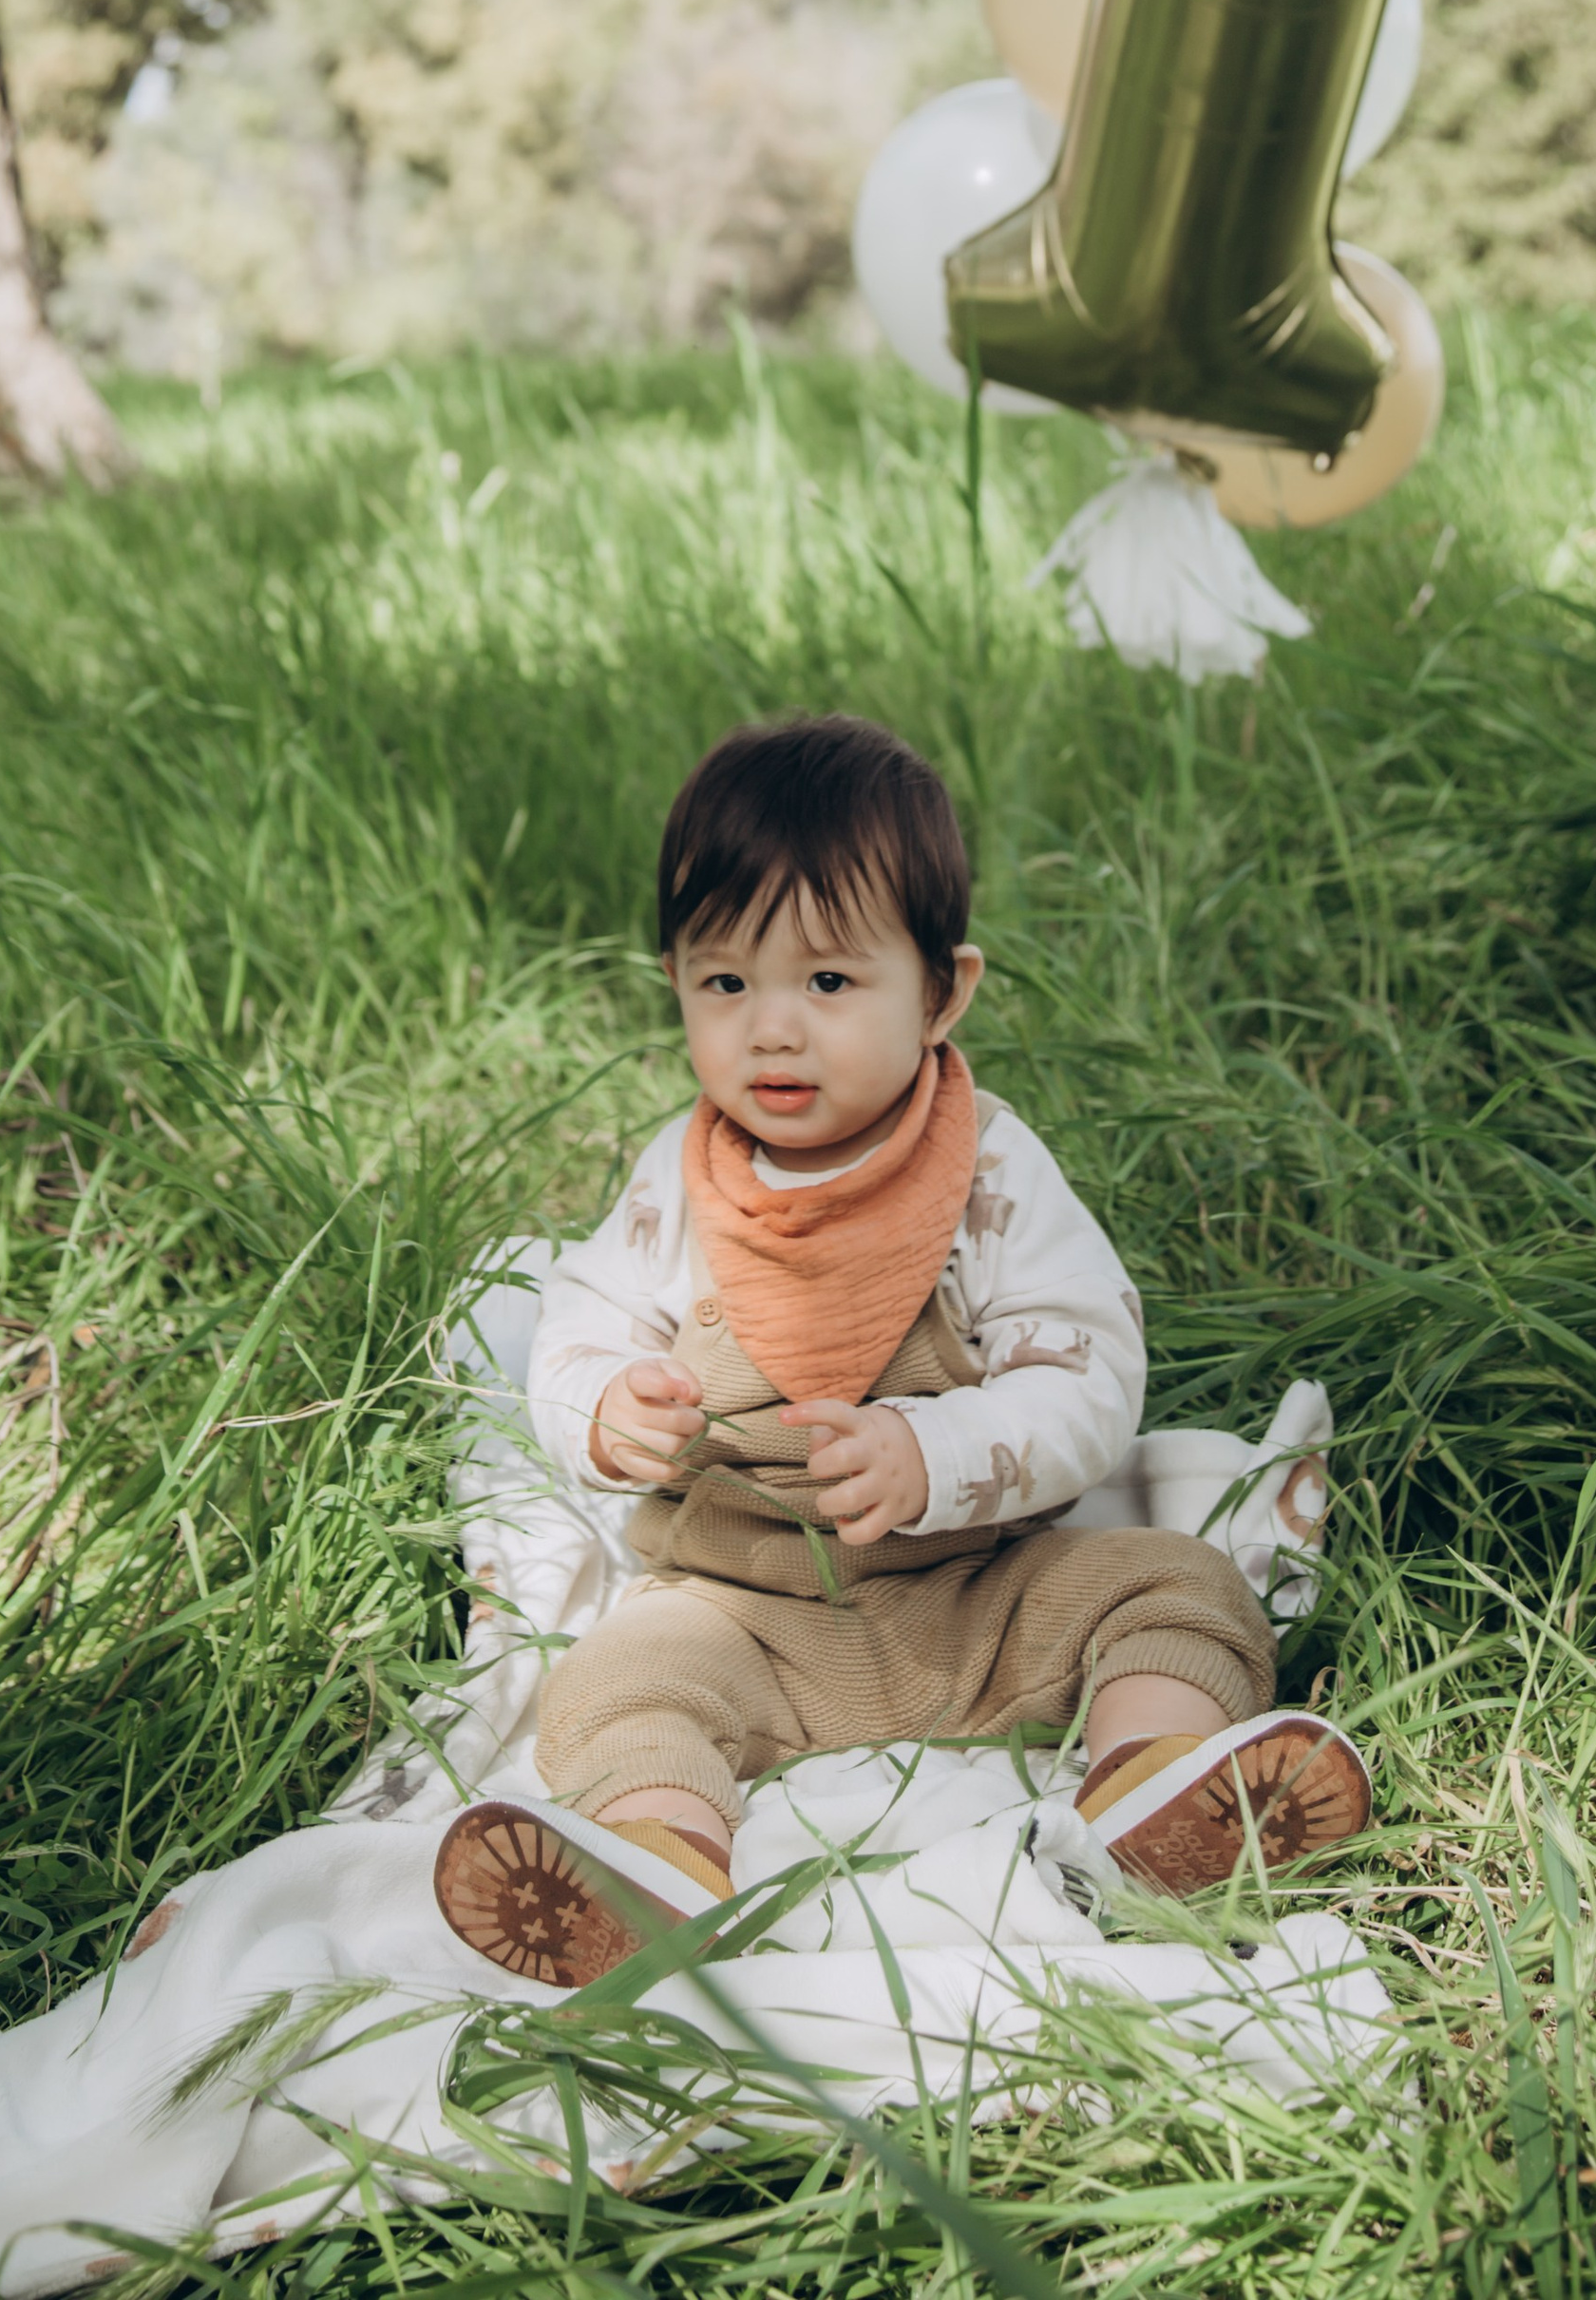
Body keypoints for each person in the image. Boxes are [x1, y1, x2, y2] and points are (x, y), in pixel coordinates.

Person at [432, 713, 1369, 1987]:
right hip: (740, 1616)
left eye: (827, 982)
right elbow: (580, 1323)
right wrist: (604, 1407)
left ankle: (1149, 1797)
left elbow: (1090, 1375)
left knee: (1178, 1584)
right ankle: (657, 1869)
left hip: (979, 1597)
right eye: (725, 983)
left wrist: (939, 1451)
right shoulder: (679, 1186)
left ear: (943, 992)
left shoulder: (986, 1173)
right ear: (677, 987)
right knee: (612, 1682)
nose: (771, 1029)